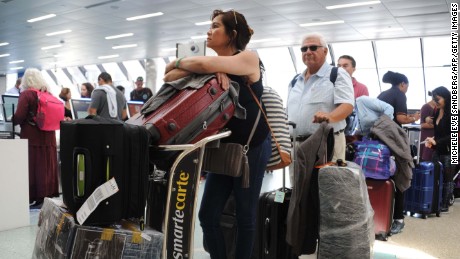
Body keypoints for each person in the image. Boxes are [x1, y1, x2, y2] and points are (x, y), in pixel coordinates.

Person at [164, 9, 270, 259]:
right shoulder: (211, 66)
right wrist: (209, 71)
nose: (208, 31)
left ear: (232, 34)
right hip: (222, 148)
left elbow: (195, 63)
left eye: (215, 26)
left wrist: (204, 67)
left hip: (250, 149)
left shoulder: (248, 58)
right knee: (207, 215)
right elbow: (168, 75)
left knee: (245, 214)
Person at [287, 33, 354, 162]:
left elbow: (347, 105)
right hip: (296, 146)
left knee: (327, 182)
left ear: (325, 51)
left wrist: (330, 116)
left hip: (326, 144)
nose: (307, 51)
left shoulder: (337, 74)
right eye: (303, 49)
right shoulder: (295, 81)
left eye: (313, 47)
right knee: (298, 183)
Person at [377, 71, 421, 235]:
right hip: (392, 142)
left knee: (380, 177)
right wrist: (414, 117)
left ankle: (380, 213)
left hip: (377, 140)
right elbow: (400, 119)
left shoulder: (382, 94)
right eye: (407, 86)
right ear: (403, 84)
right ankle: (398, 219)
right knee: (399, 176)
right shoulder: (400, 94)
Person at [12, 68, 59, 208]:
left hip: (32, 138)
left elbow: (19, 116)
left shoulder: (27, 95)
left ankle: (35, 196)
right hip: (49, 137)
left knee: (33, 167)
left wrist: (11, 119)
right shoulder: (48, 94)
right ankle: (47, 195)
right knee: (46, 166)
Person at [424, 86, 454, 212]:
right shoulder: (437, 112)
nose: (435, 102)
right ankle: (436, 201)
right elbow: (440, 133)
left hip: (451, 150)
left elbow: (454, 135)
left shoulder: (454, 113)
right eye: (434, 99)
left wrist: (437, 141)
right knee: (436, 175)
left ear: (446, 98)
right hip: (439, 149)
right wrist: (432, 139)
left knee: (448, 178)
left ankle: (445, 204)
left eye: (438, 99)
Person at [420, 92, 436, 161]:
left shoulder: (439, 108)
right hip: (427, 135)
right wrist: (437, 126)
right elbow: (423, 124)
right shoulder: (426, 107)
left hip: (436, 136)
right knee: (427, 156)